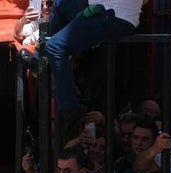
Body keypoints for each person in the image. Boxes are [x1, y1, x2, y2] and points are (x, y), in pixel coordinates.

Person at [45, 0, 145, 140]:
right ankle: (40, 58)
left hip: (111, 15)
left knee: (54, 47)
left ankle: (70, 110)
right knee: (60, 3)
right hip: (111, 14)